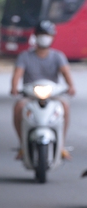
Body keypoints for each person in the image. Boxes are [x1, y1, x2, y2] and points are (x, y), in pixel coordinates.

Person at [10, 20, 76, 160]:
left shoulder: (58, 56)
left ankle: (61, 145)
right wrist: (14, 88)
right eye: (41, 34)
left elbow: (66, 74)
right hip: (31, 95)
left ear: (52, 36)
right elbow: (17, 75)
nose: (44, 37)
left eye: (46, 34)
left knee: (65, 106)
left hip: (52, 95)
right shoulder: (25, 56)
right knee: (18, 107)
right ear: (35, 36)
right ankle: (23, 145)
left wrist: (71, 86)